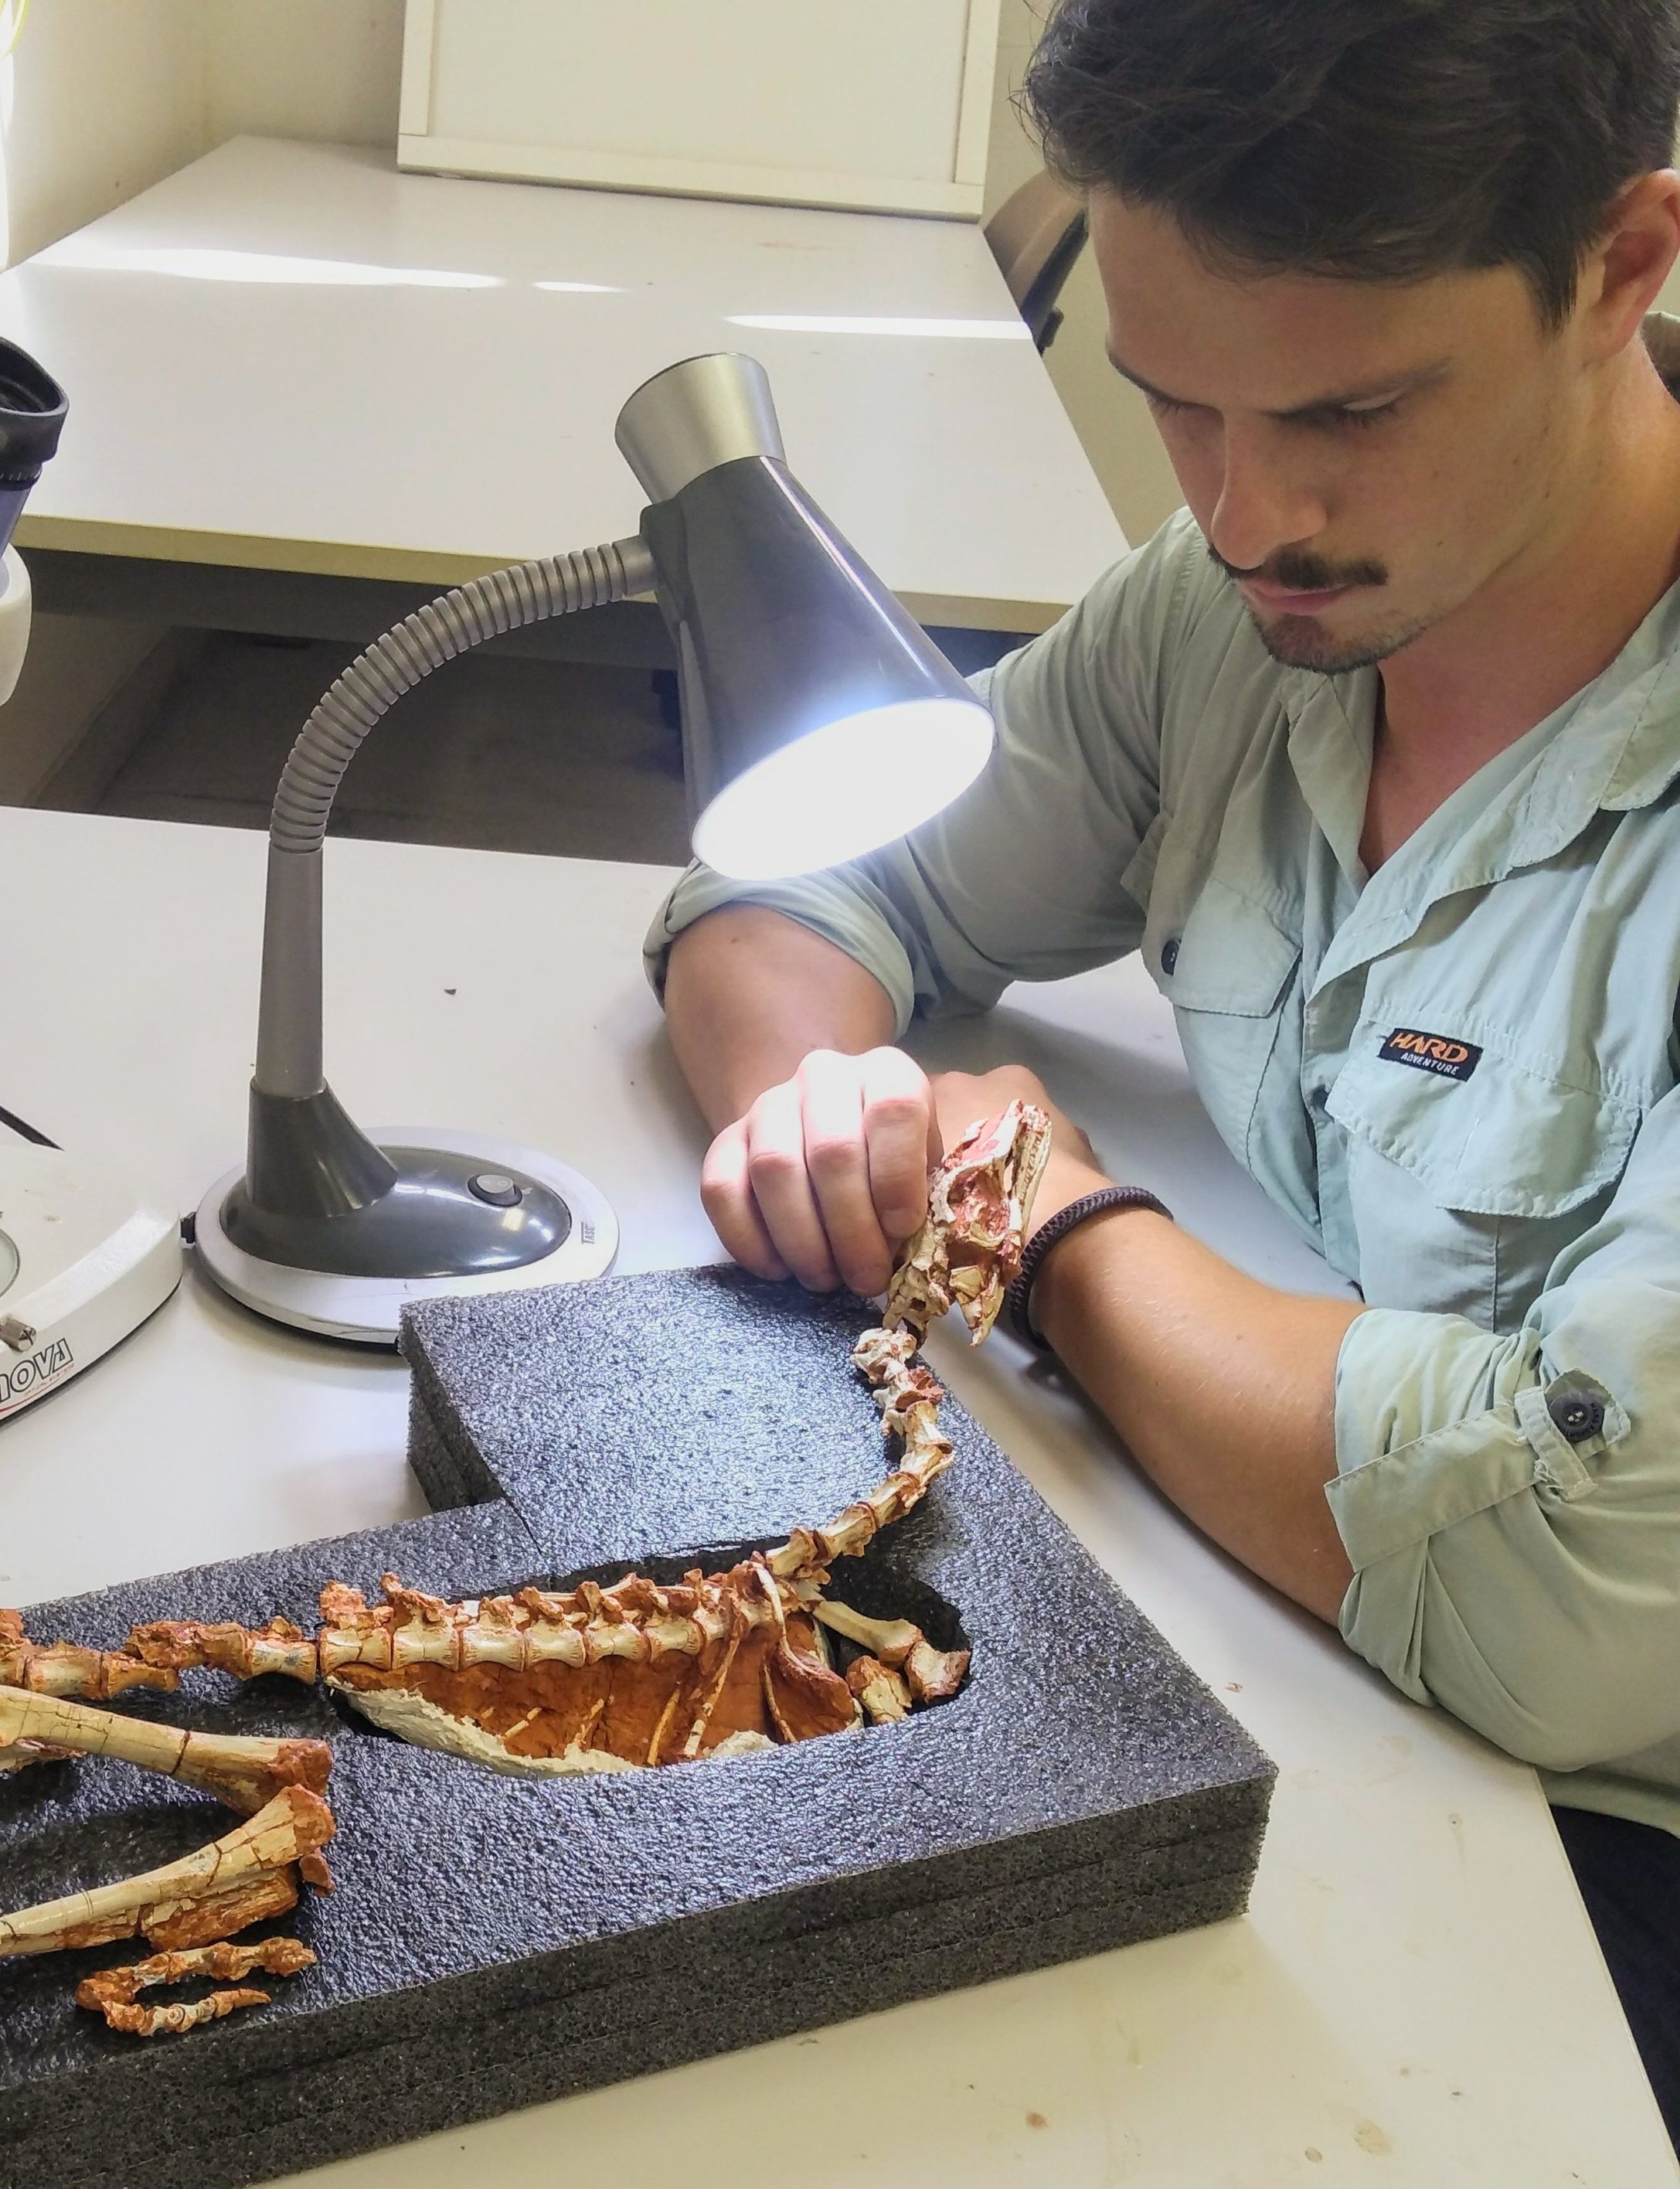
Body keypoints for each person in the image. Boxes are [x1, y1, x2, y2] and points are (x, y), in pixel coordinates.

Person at [646, 0, 1680, 2143]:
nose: (1243, 510)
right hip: (1279, 1642)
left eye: (1354, 409)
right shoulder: (1243, 613)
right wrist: (812, 1100)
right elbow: (799, 900)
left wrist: (1051, 1227)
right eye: (1171, 404)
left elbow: (1577, 1595)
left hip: (1599, 1837)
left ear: (1622, 267)